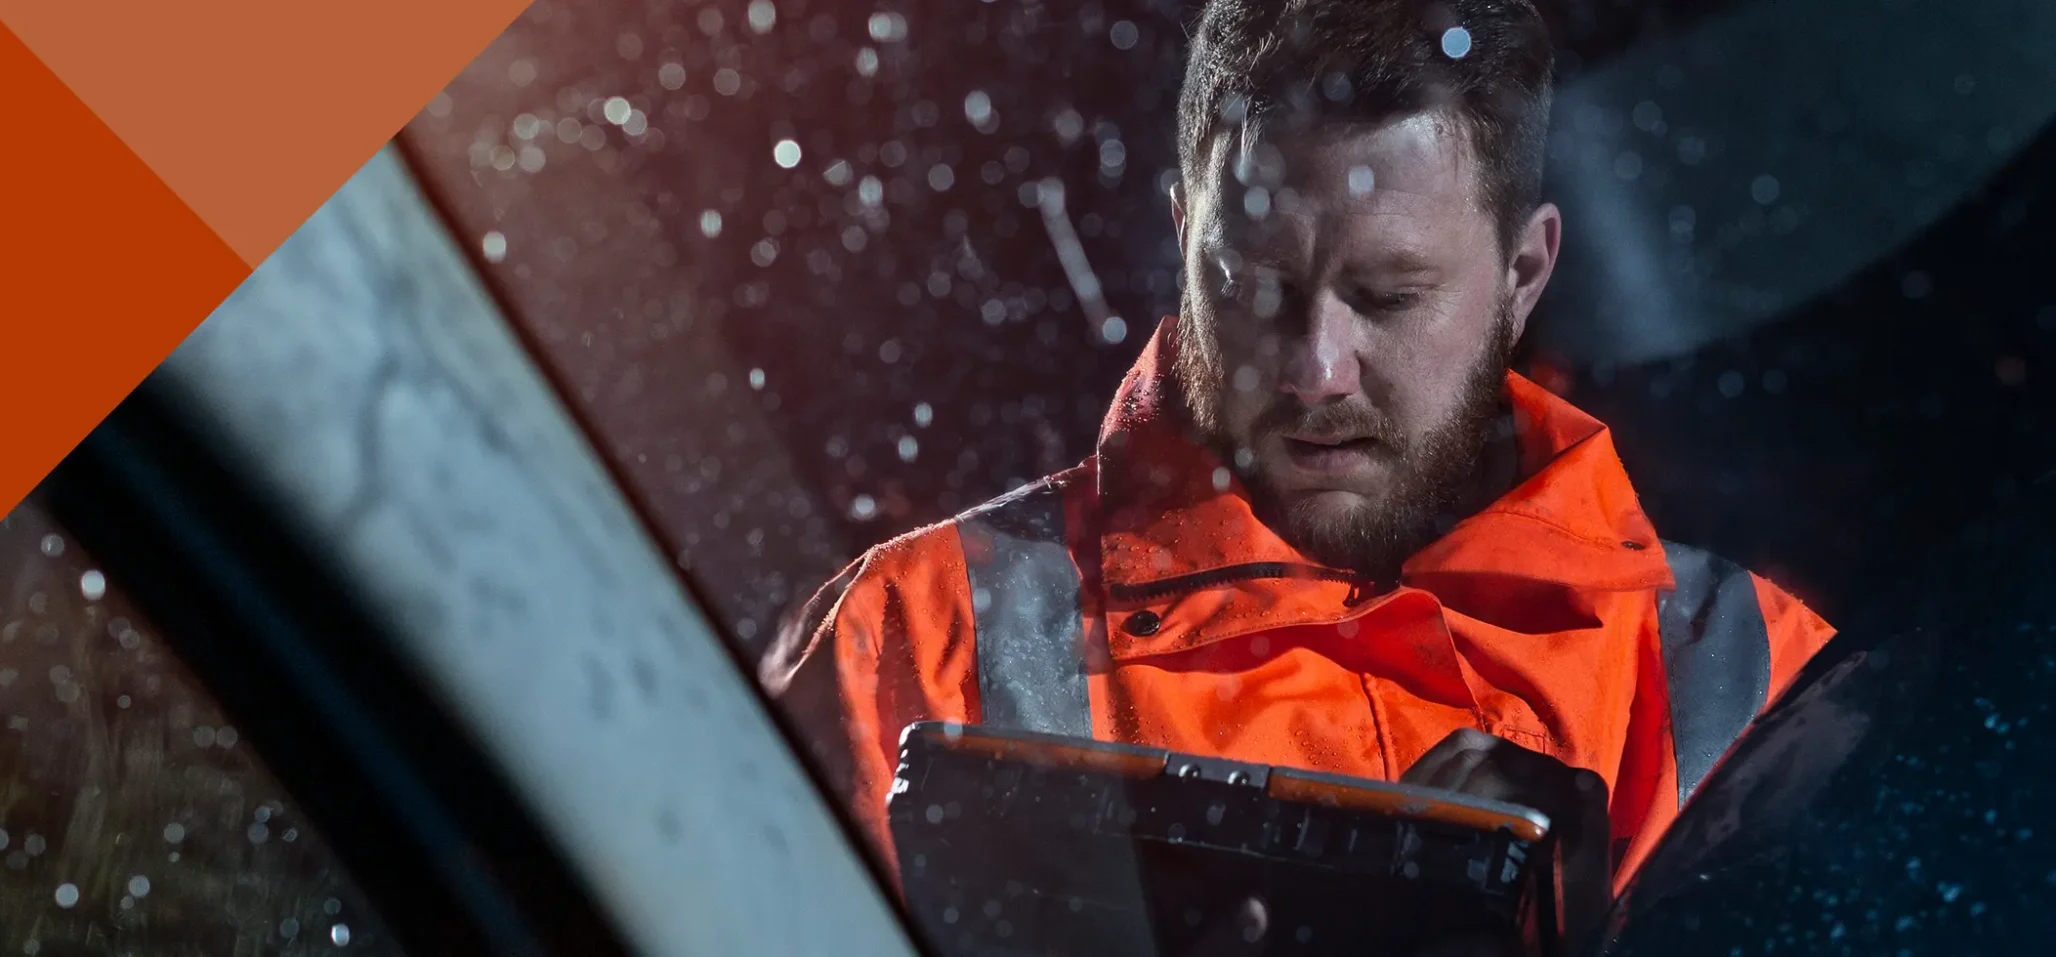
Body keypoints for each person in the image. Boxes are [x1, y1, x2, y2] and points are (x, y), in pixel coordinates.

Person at [758, 0, 1835, 940]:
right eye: (1254, 285)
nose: (1316, 368)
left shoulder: (1763, 677)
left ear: (1523, 274)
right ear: (1184, 238)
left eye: (1388, 294)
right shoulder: (907, 641)